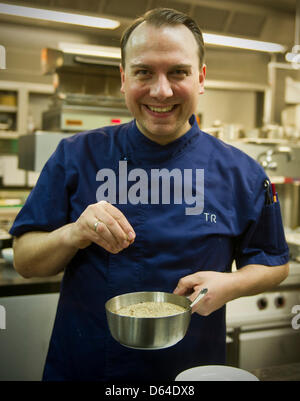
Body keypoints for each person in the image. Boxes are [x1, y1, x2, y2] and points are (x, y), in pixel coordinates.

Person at [10, 8, 289, 381]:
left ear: (201, 78)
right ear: (124, 79)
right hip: (87, 362)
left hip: (189, 369)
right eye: (144, 72)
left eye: (178, 72)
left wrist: (233, 283)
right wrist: (73, 233)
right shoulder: (76, 156)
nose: (161, 90)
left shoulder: (241, 173)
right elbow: (26, 262)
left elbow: (274, 263)